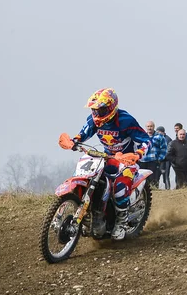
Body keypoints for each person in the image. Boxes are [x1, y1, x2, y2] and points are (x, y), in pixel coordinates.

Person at [59, 88, 151, 241]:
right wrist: (74, 141)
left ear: (111, 107)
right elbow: (85, 132)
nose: (97, 113)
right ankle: (93, 211)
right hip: (106, 157)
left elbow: (146, 140)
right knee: (88, 175)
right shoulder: (94, 119)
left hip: (126, 160)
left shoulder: (125, 120)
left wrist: (138, 154)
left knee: (120, 188)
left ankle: (121, 222)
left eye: (101, 110)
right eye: (95, 110)